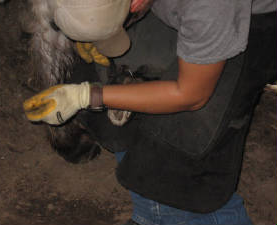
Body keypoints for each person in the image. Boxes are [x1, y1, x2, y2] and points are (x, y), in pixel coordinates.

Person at [23, 0, 276, 224]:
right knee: (106, 79)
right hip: (176, 11)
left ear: (134, 4)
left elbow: (190, 95)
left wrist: (86, 96)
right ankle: (152, 211)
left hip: (250, 23)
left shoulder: (213, 6)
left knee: (180, 142)